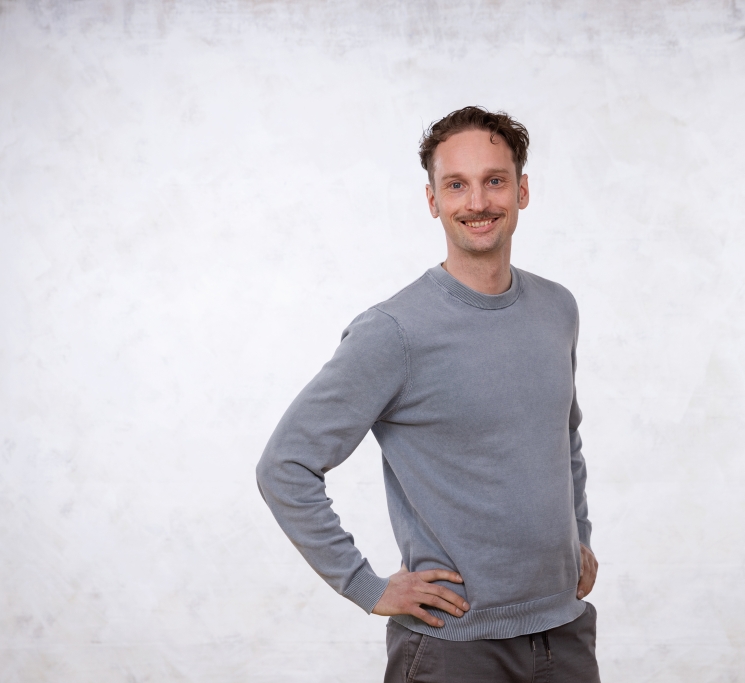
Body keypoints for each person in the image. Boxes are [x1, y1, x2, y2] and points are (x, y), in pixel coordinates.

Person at [256, 106, 600, 682]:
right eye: (456, 185)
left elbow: (563, 435)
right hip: (454, 649)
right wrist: (366, 586)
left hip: (562, 634)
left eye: (495, 180)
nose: (478, 202)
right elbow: (284, 466)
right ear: (433, 200)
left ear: (522, 191)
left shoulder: (557, 308)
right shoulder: (394, 332)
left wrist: (579, 537)